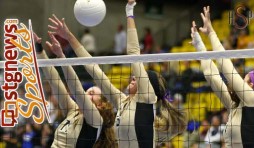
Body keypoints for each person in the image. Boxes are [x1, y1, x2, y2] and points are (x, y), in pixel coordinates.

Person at [47, 1, 186, 147]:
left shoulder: (146, 97)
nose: (133, 77)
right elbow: (94, 69)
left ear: (148, 85)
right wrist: (69, 36)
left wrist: (129, 13)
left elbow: (134, 53)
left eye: (140, 77)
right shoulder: (122, 102)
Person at [190, 6, 254, 147]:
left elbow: (224, 64)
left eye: (245, 79)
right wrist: (199, 46)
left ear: (251, 86)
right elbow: (212, 76)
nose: (240, 81)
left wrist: (211, 32)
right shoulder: (236, 106)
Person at [35, 32, 117, 148]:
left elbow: (77, 91)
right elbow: (55, 81)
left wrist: (63, 58)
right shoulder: (73, 110)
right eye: (87, 91)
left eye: (92, 93)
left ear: (101, 105)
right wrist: (40, 50)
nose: (87, 93)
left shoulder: (95, 120)